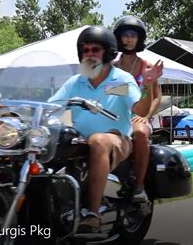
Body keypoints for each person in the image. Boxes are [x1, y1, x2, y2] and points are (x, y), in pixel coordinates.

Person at [48, 26, 160, 235]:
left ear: (108, 53)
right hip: (78, 141)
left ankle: (93, 213)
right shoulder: (76, 82)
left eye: (95, 50)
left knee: (98, 140)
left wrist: (148, 85)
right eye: (85, 50)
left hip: (116, 139)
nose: (89, 54)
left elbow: (139, 109)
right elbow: (51, 107)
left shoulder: (120, 80)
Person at [113, 15, 163, 203]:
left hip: (138, 117)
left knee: (140, 133)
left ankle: (139, 187)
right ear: (118, 37)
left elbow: (157, 97)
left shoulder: (146, 66)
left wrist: (146, 116)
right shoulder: (111, 67)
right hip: (114, 117)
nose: (129, 39)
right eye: (125, 35)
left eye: (133, 35)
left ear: (139, 39)